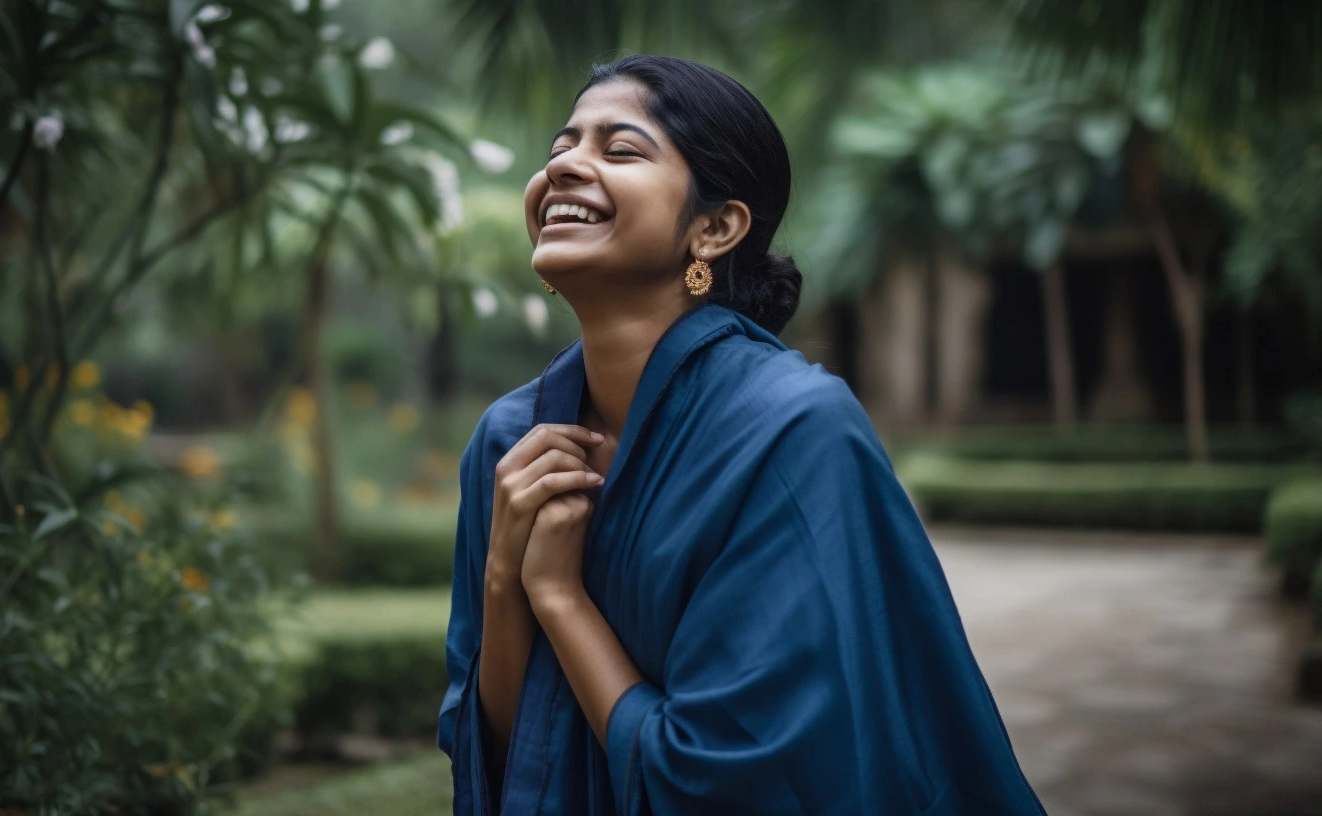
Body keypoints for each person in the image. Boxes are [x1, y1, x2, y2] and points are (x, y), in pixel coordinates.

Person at [437, 54, 1048, 815]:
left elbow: (730, 781)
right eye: (561, 148)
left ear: (715, 228)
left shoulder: (791, 434)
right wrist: (503, 582)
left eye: (618, 149)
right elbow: (496, 758)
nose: (565, 168)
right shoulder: (508, 441)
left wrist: (557, 595)